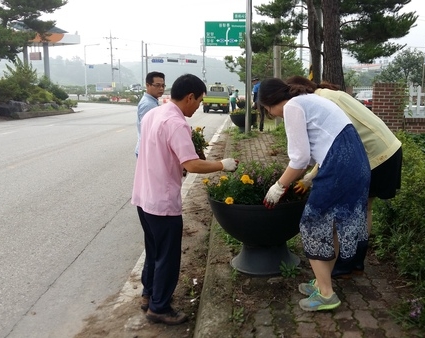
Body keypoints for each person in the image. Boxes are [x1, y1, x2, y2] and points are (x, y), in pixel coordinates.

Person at [132, 73, 238, 325]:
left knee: (153, 250)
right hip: (162, 201)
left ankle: (148, 295)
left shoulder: (153, 114)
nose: (199, 105)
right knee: (167, 256)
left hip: (143, 197)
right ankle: (159, 307)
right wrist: (223, 164)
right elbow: (191, 164)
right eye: (199, 101)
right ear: (189, 97)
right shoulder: (176, 123)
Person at [258, 78, 371, 312]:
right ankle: (323, 282)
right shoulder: (310, 100)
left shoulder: (292, 106)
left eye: (269, 110)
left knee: (312, 225)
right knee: (334, 224)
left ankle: (327, 294)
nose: (274, 115)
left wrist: (278, 187)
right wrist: (304, 176)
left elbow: (299, 159)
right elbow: (311, 152)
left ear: (272, 101)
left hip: (338, 167)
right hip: (356, 164)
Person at [286, 75, 403, 278]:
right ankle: (355, 263)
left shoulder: (322, 101)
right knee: (364, 209)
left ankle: (345, 263)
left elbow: (336, 144)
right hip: (388, 149)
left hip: (374, 155)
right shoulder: (328, 95)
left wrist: (309, 178)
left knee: (348, 211)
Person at [135, 71, 166, 157]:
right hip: (147, 151)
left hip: (146, 149)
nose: (161, 88)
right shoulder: (149, 105)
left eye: (163, 86)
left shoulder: (152, 101)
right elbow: (151, 131)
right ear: (148, 85)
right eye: (157, 85)